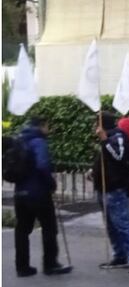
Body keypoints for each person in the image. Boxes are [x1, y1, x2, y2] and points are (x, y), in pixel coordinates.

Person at [12, 116, 72, 277]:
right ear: (42, 126)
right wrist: (51, 184)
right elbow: (43, 165)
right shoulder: (38, 141)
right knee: (49, 228)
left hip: (20, 192)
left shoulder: (19, 140)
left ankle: (22, 267)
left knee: (22, 230)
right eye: (47, 126)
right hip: (38, 192)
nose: (48, 130)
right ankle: (50, 264)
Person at [93, 112, 129, 272]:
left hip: (117, 189)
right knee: (111, 225)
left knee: (122, 225)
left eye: (96, 123)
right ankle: (120, 255)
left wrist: (104, 140)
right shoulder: (109, 137)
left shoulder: (117, 137)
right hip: (104, 188)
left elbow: (118, 156)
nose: (94, 127)